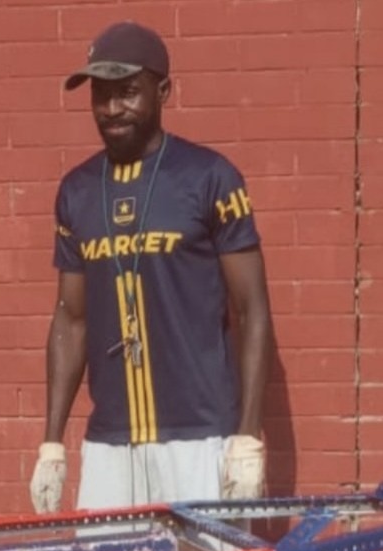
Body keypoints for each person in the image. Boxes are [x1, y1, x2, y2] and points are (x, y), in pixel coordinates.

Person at [29, 21, 276, 513]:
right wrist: (52, 444)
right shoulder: (76, 191)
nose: (111, 109)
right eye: (101, 95)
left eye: (127, 92)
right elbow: (71, 319)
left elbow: (252, 311)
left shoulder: (211, 178)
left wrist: (247, 436)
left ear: (162, 91)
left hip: (199, 437)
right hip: (110, 444)